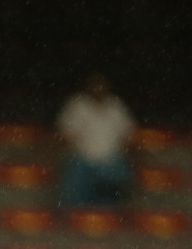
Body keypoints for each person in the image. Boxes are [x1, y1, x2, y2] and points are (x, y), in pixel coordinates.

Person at [56, 74, 135, 208]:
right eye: (94, 85)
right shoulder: (77, 104)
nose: (98, 88)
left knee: (116, 195)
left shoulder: (115, 106)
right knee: (74, 198)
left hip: (111, 161)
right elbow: (65, 133)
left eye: (101, 85)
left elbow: (129, 134)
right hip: (82, 161)